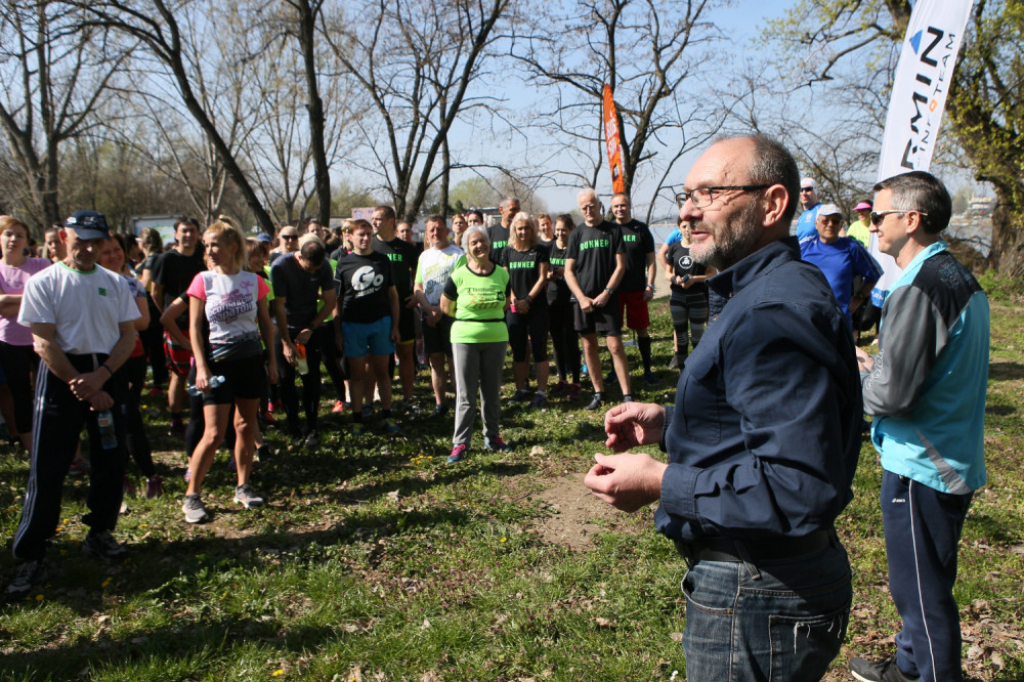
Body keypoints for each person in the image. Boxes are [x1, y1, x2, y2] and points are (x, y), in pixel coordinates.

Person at [584, 135, 860, 681]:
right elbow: (760, 419)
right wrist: (670, 423)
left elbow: (796, 485)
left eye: (710, 192)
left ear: (773, 204)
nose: (688, 210)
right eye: (686, 195)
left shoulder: (772, 309)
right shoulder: (760, 292)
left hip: (759, 589)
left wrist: (663, 482)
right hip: (761, 581)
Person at [848, 172, 989, 682]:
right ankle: (906, 668)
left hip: (922, 466)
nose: (869, 227)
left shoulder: (917, 289)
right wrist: (878, 366)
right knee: (925, 580)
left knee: (922, 595)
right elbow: (926, 366)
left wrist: (856, 377)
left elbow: (892, 396)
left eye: (876, 217)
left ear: (911, 220)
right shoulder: (956, 275)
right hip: (952, 452)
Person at [6, 210, 140, 599]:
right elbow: (43, 341)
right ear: (64, 237)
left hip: (105, 373)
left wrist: (101, 379)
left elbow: (128, 333)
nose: (87, 248)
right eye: (80, 240)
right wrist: (79, 384)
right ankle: (31, 552)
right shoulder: (46, 281)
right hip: (62, 374)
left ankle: (100, 531)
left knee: (111, 459)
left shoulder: (116, 283)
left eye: (95, 241)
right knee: (48, 464)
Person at [182, 217, 277, 524]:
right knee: (212, 433)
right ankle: (192, 496)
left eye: (215, 245)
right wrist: (201, 367)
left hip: (250, 362)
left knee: (246, 426)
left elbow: (266, 325)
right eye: (206, 245)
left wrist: (272, 361)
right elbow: (195, 329)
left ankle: (243, 486)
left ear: (233, 247)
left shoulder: (254, 281)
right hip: (216, 364)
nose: (209, 251)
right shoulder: (203, 280)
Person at [440, 226, 512, 463]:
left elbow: (504, 303)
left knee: (491, 392)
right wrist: (470, 320)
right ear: (467, 249)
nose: (479, 246)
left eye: (482, 241)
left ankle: (492, 437)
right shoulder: (459, 275)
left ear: (489, 244)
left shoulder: (502, 274)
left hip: (496, 337)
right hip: (465, 339)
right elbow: (445, 307)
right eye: (473, 243)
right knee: (466, 394)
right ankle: (460, 443)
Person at [97, 235, 161, 500]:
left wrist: (113, 319)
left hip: (131, 358)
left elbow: (144, 322)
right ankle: (118, 475)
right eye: (106, 252)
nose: (114, 256)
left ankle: (149, 475)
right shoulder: (89, 285)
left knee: (130, 416)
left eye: (117, 250)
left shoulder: (132, 284)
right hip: (100, 359)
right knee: (109, 419)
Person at [564, 188, 631, 411]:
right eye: (584, 207)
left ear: (599, 204)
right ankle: (598, 392)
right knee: (589, 344)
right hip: (582, 302)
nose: (589, 210)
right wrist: (581, 297)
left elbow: (621, 266)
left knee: (615, 345)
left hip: (608, 298)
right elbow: (568, 271)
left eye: (592, 205)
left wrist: (607, 293)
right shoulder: (577, 234)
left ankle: (627, 395)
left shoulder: (613, 230)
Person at [333, 219, 401, 436]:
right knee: (356, 374)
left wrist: (395, 325)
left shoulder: (382, 260)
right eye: (360, 234)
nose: (365, 238)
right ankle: (357, 419)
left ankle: (387, 415)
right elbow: (337, 299)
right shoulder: (343, 263)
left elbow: (392, 294)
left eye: (368, 234)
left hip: (381, 323)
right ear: (350, 237)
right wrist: (337, 330)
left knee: (383, 372)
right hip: (353, 325)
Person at [270, 234, 337, 446]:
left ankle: (312, 425)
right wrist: (285, 343)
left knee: (310, 376)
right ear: (299, 257)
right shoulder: (280, 267)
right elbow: (278, 306)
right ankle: (293, 425)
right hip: (284, 327)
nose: (313, 273)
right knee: (286, 377)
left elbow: (329, 301)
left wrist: (311, 327)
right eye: (309, 269)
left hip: (307, 331)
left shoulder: (323, 267)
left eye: (316, 270)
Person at [0, 216, 51, 449]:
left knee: (49, 392)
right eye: (8, 234)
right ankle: (32, 448)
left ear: (27, 240)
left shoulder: (41, 265)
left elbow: (51, 298)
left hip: (43, 338)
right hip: (10, 341)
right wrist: (32, 296)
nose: (13, 239)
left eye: (19, 235)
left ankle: (54, 442)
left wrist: (9, 299)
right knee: (20, 395)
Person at [151, 217, 203, 437]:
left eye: (192, 231)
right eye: (184, 231)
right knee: (179, 374)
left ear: (198, 233)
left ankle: (199, 417)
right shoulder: (166, 259)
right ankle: (176, 419)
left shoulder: (204, 257)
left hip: (202, 324)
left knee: (201, 370)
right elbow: (156, 292)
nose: (188, 235)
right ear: (176, 234)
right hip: (177, 325)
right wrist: (168, 314)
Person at [368, 206, 419, 413]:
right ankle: (372, 400)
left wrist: (416, 293)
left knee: (406, 354)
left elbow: (419, 271)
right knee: (376, 358)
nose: (374, 223)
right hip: (377, 310)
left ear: (391, 221)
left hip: (404, 308)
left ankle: (408, 398)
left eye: (379, 219)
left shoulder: (406, 248)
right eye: (373, 219)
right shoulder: (369, 245)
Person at [413, 215, 463, 417]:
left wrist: (440, 310)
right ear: (427, 233)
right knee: (435, 360)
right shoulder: (424, 256)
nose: (436, 233)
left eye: (439, 229)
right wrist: (427, 308)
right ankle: (440, 404)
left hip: (451, 315)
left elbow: (460, 286)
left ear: (447, 230)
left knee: (453, 361)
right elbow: (417, 286)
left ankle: (462, 403)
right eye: (431, 230)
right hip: (429, 313)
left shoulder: (458, 255)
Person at [800, 203, 882, 326]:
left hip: (839, 322)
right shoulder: (804, 247)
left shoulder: (851, 247)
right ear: (816, 223)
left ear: (841, 225)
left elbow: (874, 274)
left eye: (835, 221)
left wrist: (860, 296)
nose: (830, 225)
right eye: (825, 221)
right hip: (808, 320)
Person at [610, 192, 658, 386]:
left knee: (642, 330)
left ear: (629, 206)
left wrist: (650, 285)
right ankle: (615, 372)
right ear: (612, 209)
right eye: (616, 207)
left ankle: (647, 370)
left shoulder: (641, 229)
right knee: (614, 333)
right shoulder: (609, 230)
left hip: (637, 289)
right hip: (614, 291)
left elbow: (652, 261)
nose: (620, 209)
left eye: (623, 205)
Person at [663, 217, 714, 372]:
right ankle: (682, 372)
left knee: (698, 336)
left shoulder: (703, 248)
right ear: (679, 228)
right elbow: (667, 273)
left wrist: (694, 279)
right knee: (681, 336)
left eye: (691, 226)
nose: (687, 229)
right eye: (684, 226)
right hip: (678, 297)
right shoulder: (674, 248)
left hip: (698, 297)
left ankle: (699, 370)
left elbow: (712, 274)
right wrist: (674, 279)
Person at [546, 214, 582, 399]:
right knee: (557, 340)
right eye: (557, 230)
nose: (560, 233)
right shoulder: (549, 247)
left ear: (571, 230)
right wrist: (548, 276)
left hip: (571, 299)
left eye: (563, 230)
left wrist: (566, 272)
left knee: (571, 340)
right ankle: (562, 379)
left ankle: (576, 381)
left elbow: (581, 269)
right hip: (552, 298)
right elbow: (542, 270)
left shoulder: (575, 249)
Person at [487, 197, 520, 265]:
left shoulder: (521, 232)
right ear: (501, 209)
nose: (516, 213)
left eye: (518, 210)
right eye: (513, 209)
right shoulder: (490, 232)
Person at [795, 176, 823, 241]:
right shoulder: (801, 218)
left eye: (808, 189)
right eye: (801, 190)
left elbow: (839, 232)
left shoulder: (822, 210)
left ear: (815, 191)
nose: (804, 193)